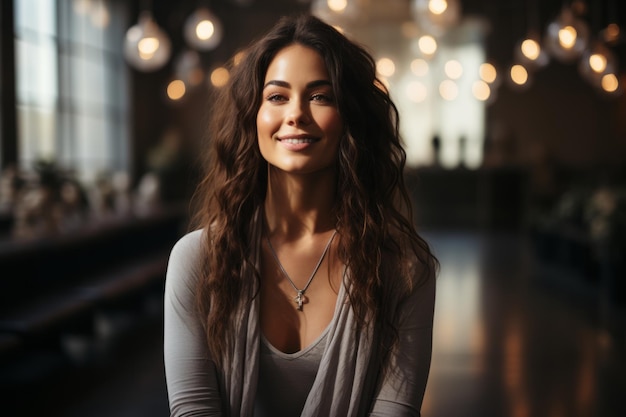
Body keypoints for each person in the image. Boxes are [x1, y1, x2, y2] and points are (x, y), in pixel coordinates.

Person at [164, 12, 438, 417]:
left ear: (351, 119)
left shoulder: (404, 269)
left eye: (320, 96)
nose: (296, 113)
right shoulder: (197, 259)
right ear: (252, 117)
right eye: (276, 97)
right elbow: (193, 411)